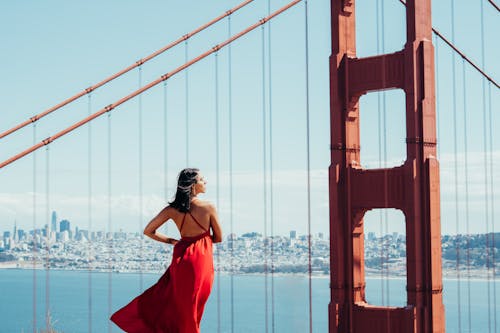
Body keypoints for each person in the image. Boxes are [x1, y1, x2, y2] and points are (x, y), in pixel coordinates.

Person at [110, 168, 223, 332]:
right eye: (202, 179)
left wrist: (173, 241)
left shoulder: (172, 210)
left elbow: (148, 230)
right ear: (192, 185)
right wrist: (202, 242)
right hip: (201, 262)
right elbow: (218, 238)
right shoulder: (209, 207)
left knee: (172, 301)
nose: (205, 182)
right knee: (195, 306)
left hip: (181, 259)